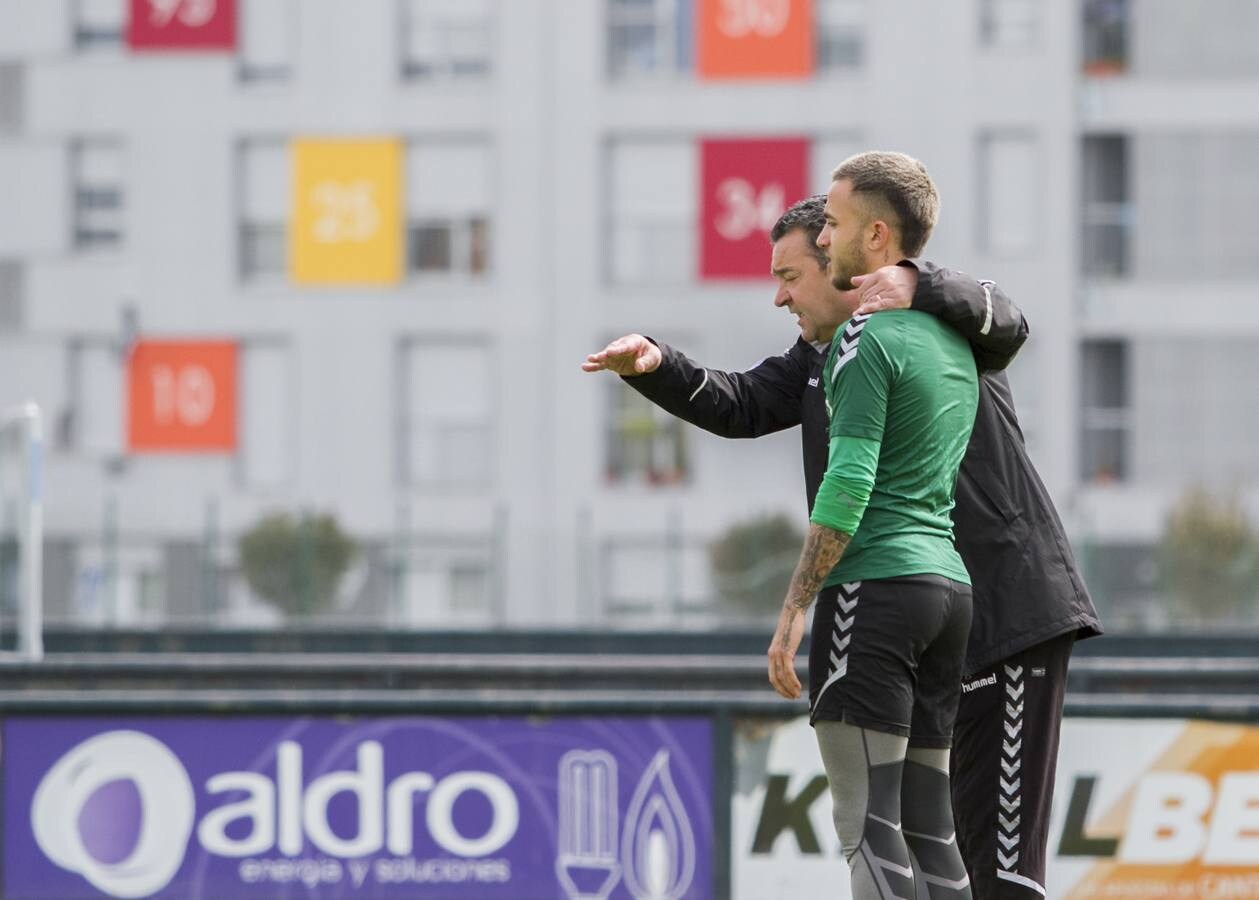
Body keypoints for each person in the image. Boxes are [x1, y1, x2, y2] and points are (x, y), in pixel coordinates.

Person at [584, 185, 1101, 897]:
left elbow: (1007, 317)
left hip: (1006, 611)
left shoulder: (937, 320)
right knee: (932, 839)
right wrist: (656, 363)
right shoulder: (827, 358)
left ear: (848, 268)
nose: (779, 298)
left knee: (996, 861)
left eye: (791, 275)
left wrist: (916, 280)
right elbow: (742, 404)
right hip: (931, 608)